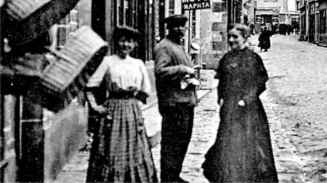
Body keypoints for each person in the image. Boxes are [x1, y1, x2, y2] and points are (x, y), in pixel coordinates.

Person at [202, 24, 277, 182]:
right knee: (228, 145)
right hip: (230, 109)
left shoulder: (252, 58)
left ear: (245, 38)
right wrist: (221, 99)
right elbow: (222, 81)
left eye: (235, 37)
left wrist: (246, 99)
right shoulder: (227, 58)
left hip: (250, 111)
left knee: (251, 146)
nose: (231, 40)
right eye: (229, 36)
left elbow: (260, 82)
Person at [85, 26, 157, 182]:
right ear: (116, 42)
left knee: (135, 149)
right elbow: (90, 87)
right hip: (112, 111)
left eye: (130, 42)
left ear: (135, 44)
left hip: (132, 111)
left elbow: (146, 91)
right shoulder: (107, 62)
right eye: (122, 40)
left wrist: (136, 97)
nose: (126, 45)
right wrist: (95, 106)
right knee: (111, 149)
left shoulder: (138, 63)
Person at [154, 15, 198, 183]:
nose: (180, 29)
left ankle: (174, 176)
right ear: (169, 28)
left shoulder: (178, 46)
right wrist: (182, 69)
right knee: (172, 143)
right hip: (174, 103)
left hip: (185, 101)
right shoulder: (164, 47)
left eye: (182, 26)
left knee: (182, 142)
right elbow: (160, 71)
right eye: (176, 26)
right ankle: (168, 178)